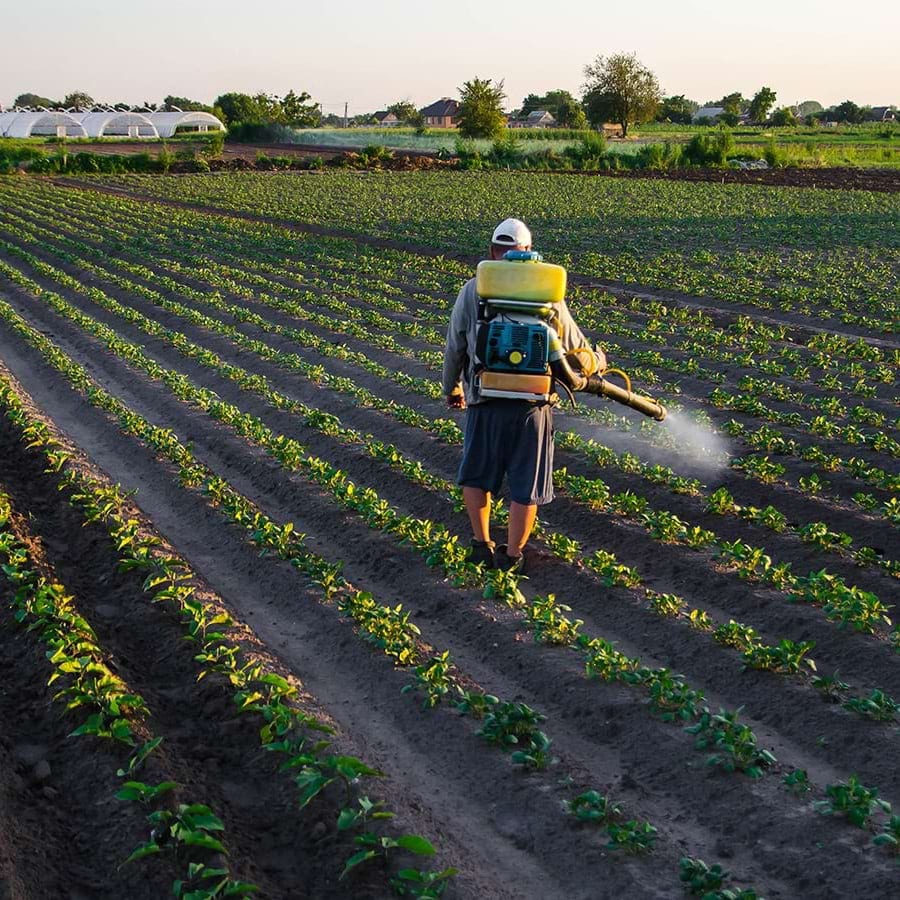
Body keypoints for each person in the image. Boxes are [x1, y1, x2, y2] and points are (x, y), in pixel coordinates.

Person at [442, 218, 606, 573]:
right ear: (530, 252)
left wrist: (452, 387)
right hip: (533, 407)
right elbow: (577, 350)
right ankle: (513, 554)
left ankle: (481, 543)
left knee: (476, 475)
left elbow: (455, 345)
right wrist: (598, 361)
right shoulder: (547, 291)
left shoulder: (474, 288)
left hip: (485, 399)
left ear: (492, 251)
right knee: (526, 484)